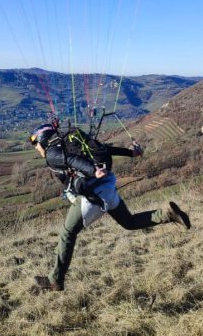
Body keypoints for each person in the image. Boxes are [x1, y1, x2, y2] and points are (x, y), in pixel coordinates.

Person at [29, 123, 191, 292]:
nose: (36, 148)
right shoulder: (69, 145)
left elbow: (72, 161)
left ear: (42, 139)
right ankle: (168, 214)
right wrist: (131, 153)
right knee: (129, 222)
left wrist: (92, 171)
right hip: (107, 187)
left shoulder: (52, 154)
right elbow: (105, 149)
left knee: (67, 233)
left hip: (92, 197)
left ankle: (55, 280)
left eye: (36, 143)